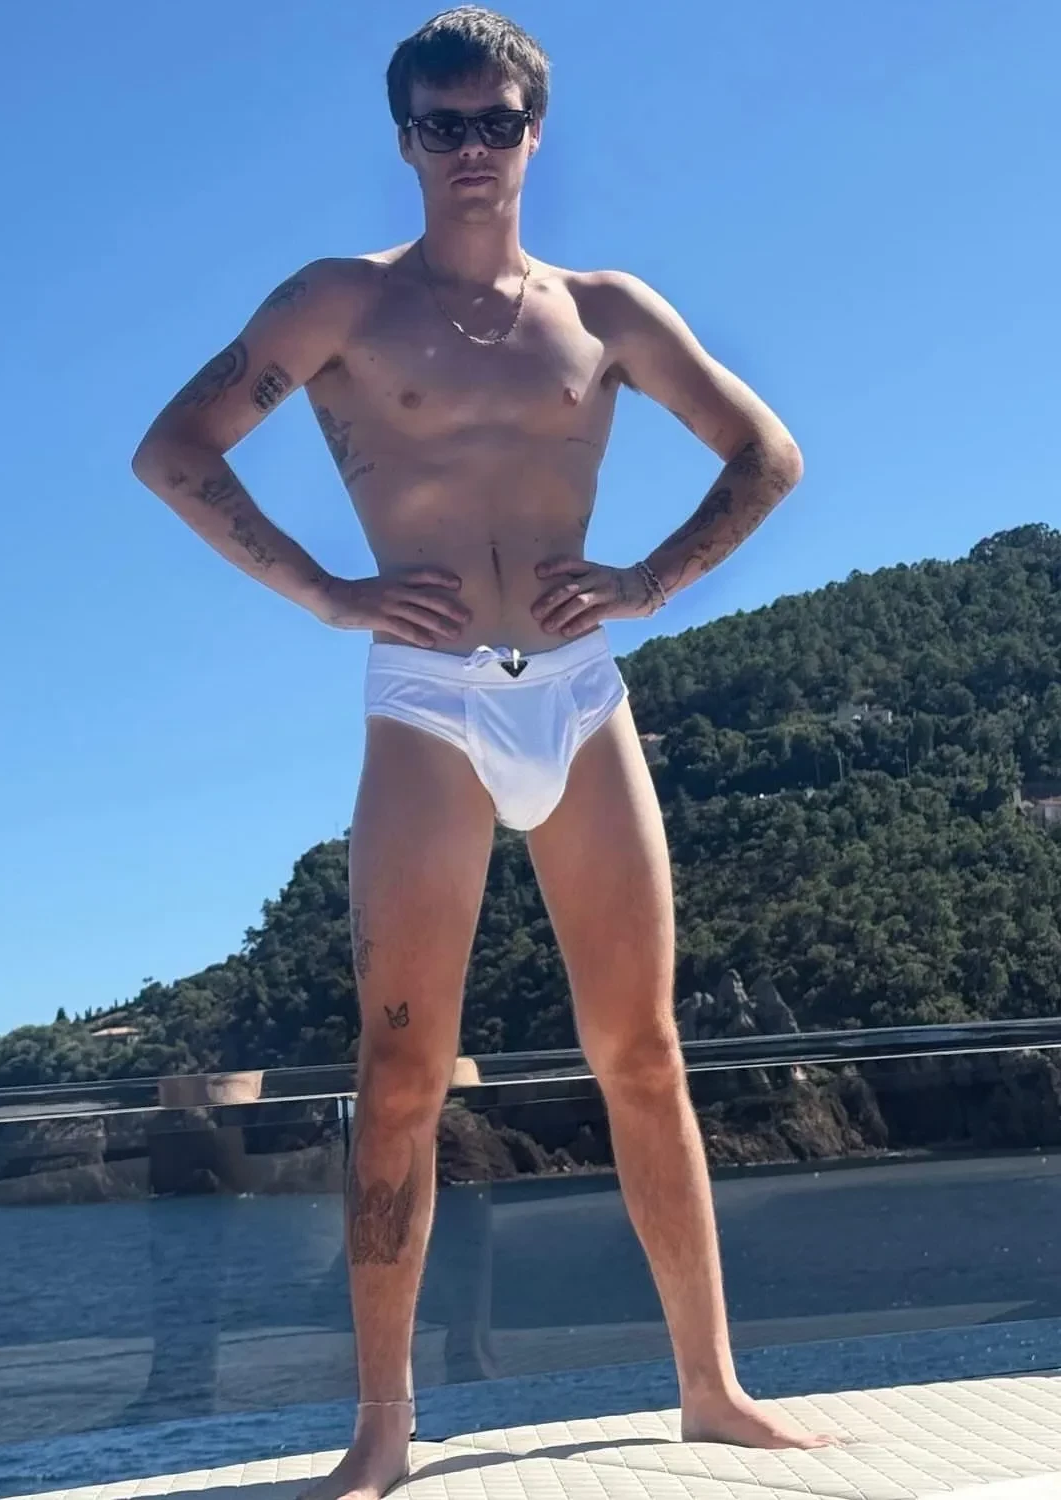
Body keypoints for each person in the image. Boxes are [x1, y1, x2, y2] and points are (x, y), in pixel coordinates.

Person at [130, 7, 841, 1495]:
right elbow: (175, 451)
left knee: (644, 1049)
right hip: (427, 699)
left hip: (579, 691)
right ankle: (382, 1429)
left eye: (495, 122)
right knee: (399, 1071)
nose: (470, 148)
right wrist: (328, 594)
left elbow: (767, 453)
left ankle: (712, 1388)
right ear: (405, 140)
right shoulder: (340, 301)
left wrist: (650, 581)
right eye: (442, 124)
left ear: (534, 132)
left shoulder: (604, 310)